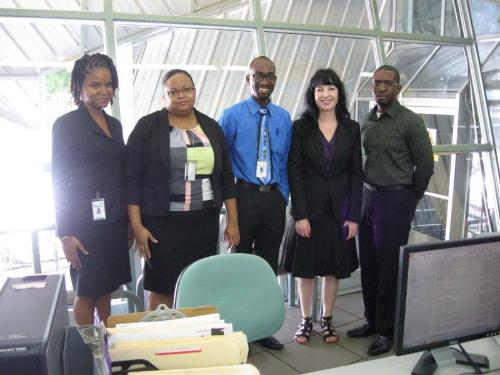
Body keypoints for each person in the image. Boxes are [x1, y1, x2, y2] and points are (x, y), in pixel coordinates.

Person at [126, 69, 239, 310]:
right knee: (162, 287)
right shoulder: (147, 128)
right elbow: (131, 179)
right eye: (173, 92)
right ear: (163, 96)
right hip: (162, 224)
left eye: (187, 89)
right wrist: (137, 226)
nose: (181, 96)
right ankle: (161, 341)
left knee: (201, 284)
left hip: (204, 222)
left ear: (195, 91)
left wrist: (233, 221)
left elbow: (226, 178)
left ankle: (197, 341)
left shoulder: (211, 127)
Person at [347, 65, 434, 355]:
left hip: (395, 201)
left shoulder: (410, 122)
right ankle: (371, 321)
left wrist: (410, 198)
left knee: (388, 268)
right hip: (368, 199)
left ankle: (387, 330)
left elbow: (425, 165)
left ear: (398, 88)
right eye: (377, 83)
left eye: (387, 83)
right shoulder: (368, 120)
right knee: (369, 264)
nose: (381, 88)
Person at [52, 53, 131, 325]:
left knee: (106, 288)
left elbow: (120, 173)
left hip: (113, 221)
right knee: (86, 292)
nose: (104, 91)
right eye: (95, 85)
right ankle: (90, 355)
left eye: (108, 84)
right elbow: (59, 180)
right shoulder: (66, 125)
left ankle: (108, 350)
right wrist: (65, 233)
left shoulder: (115, 125)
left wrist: (129, 222)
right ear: (79, 87)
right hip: (83, 225)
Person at [219, 56, 292, 351]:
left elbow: (285, 161)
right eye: (258, 75)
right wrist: (229, 208)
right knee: (240, 263)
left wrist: (282, 195)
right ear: (247, 79)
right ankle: (238, 327)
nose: (265, 81)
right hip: (243, 197)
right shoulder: (232, 115)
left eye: (270, 76)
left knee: (267, 265)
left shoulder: (283, 117)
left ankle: (261, 327)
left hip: (273, 197)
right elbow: (222, 165)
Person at [285, 68, 363, 345]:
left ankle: (327, 319)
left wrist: (354, 217)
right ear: (313, 94)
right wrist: (300, 215)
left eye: (330, 89)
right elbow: (295, 172)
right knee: (305, 267)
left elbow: (356, 173)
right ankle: (306, 320)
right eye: (320, 89)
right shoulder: (301, 127)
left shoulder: (352, 129)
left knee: (333, 267)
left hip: (340, 211)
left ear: (339, 93)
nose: (325, 94)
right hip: (310, 210)